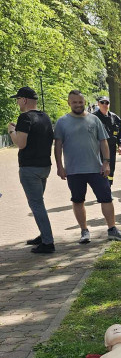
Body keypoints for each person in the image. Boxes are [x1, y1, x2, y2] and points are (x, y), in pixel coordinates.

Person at [54, 90, 121, 244]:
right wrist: (59, 166)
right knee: (78, 200)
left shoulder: (94, 120)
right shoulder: (62, 122)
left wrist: (106, 162)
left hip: (96, 168)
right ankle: (84, 231)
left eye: (80, 102)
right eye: (74, 102)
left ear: (84, 103)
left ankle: (112, 229)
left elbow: (103, 142)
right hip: (74, 170)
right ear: (69, 103)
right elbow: (58, 146)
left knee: (106, 198)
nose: (77, 105)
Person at [8, 86, 55, 254]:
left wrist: (12, 131)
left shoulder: (25, 117)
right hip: (45, 166)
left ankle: (48, 242)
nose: (18, 102)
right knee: (38, 202)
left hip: (29, 168)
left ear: (25, 100)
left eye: (18, 99)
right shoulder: (45, 117)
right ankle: (43, 235)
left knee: (36, 204)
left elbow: (21, 143)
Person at [93, 95, 121, 186]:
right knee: (100, 168)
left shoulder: (115, 118)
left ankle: (108, 187)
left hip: (111, 147)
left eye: (107, 102)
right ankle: (101, 188)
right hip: (98, 148)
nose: (105, 104)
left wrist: (120, 145)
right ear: (98, 104)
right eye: (102, 102)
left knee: (111, 168)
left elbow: (119, 134)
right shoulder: (93, 117)